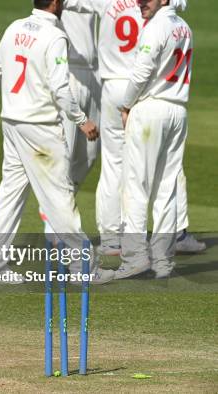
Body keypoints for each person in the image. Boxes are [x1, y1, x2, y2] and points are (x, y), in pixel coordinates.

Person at [0, 0, 114, 283]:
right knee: (60, 197)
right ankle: (84, 270)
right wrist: (82, 120)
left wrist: (16, 98)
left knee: (10, 194)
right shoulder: (55, 36)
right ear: (55, 4)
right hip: (41, 126)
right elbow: (60, 88)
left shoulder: (15, 27)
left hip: (13, 121)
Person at [63, 0, 205, 255]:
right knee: (165, 164)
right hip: (145, 87)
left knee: (113, 164)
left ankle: (110, 238)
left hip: (112, 86)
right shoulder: (156, 8)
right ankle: (176, 233)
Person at [116, 0, 193, 279]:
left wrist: (125, 105)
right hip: (177, 110)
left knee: (136, 186)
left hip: (150, 109)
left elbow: (141, 73)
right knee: (166, 188)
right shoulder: (183, 26)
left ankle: (135, 258)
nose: (139, 1)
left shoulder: (155, 27)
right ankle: (162, 261)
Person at [39, 8, 101, 236]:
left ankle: (57, 207)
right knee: (66, 152)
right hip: (69, 70)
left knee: (90, 154)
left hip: (95, 72)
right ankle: (53, 218)